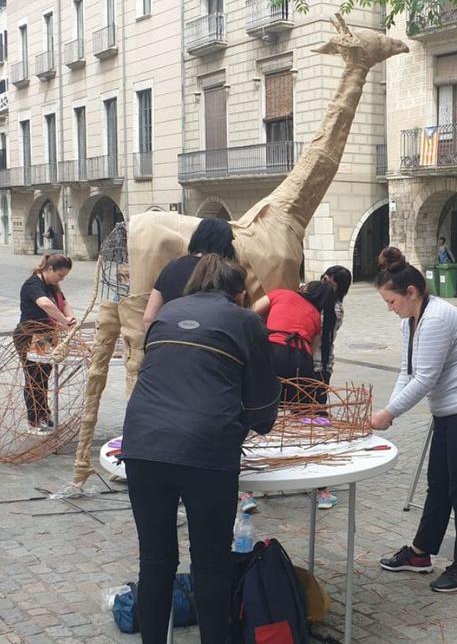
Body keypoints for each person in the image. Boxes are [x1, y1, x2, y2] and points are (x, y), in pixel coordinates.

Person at [120, 254, 280, 644]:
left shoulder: (167, 312)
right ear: (238, 293)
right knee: (211, 563)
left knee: (155, 562)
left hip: (142, 444)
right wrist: (255, 422)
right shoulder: (244, 320)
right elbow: (262, 404)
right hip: (207, 448)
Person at [371, 247, 457, 593]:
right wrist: (388, 411)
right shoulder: (412, 322)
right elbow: (408, 371)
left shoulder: (436, 319)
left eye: (392, 302)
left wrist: (389, 414)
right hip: (453, 412)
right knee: (439, 481)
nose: (390, 310)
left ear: (411, 293)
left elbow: (425, 379)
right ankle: (421, 553)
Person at [245, 280, 336, 513]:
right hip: (300, 360)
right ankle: (321, 490)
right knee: (304, 420)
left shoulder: (281, 293)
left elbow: (250, 314)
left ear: (306, 289)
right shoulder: (316, 316)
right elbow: (314, 347)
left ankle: (246, 492)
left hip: (272, 354)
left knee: (253, 415)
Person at [15, 254, 76, 434]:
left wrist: (71, 317)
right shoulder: (33, 284)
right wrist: (64, 321)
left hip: (47, 337)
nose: (61, 279)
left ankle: (44, 415)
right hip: (28, 336)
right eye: (60, 275)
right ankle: (34, 421)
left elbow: (63, 302)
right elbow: (45, 304)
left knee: (44, 378)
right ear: (49, 269)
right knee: (33, 378)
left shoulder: (52, 285)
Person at [142, 217, 237, 330]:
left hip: (169, 339)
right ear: (225, 244)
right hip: (212, 342)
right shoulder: (226, 273)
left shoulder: (171, 267)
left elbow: (148, 318)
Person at [311, 265, 353, 510]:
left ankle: (321, 486)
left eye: (328, 281)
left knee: (317, 420)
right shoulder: (317, 303)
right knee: (309, 418)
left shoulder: (333, 310)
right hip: (309, 367)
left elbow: (319, 336)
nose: (323, 283)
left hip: (319, 369)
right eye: (323, 278)